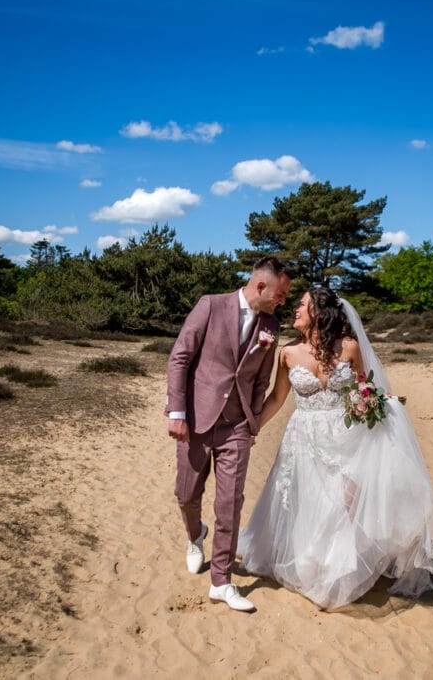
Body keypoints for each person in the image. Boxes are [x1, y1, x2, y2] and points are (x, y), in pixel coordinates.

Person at [238, 287, 433, 610]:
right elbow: (278, 398)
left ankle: (338, 567)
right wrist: (253, 428)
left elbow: (365, 386)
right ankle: (309, 562)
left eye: (302, 305)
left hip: (345, 438)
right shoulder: (288, 352)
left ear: (319, 312)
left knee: (343, 501)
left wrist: (376, 405)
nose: (295, 310)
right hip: (303, 437)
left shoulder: (349, 347)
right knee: (307, 499)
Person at [166, 256, 293, 612]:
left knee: (230, 504)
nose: (282, 301)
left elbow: (262, 379)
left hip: (237, 426)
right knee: (186, 493)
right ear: (261, 286)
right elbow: (180, 357)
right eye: (281, 294)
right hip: (195, 419)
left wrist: (252, 422)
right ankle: (195, 536)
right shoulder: (210, 305)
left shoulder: (272, 325)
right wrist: (177, 412)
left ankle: (221, 581)